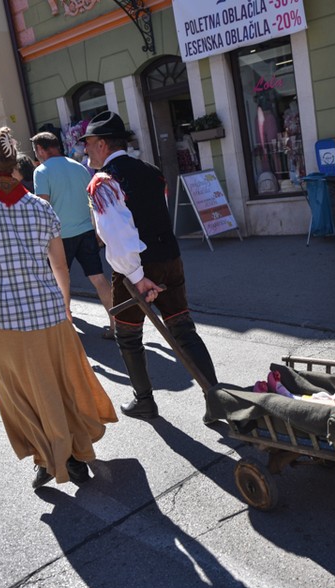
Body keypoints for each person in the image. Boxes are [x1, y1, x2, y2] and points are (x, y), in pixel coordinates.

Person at [0, 127, 117, 488]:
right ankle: (74, 453)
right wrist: (64, 307)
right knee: (60, 386)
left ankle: (47, 457)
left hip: (4, 320)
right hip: (50, 314)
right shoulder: (41, 207)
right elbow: (60, 266)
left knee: (20, 395)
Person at [81, 111, 218, 419]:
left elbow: (118, 235)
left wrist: (136, 276)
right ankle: (215, 399)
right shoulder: (151, 170)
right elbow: (156, 215)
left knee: (128, 336)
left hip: (137, 267)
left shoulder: (103, 181)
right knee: (183, 329)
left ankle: (144, 401)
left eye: (88, 142)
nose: (85, 149)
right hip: (170, 258)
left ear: (102, 144)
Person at [31, 131, 116, 339]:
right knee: (98, 277)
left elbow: (43, 206)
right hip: (86, 230)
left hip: (59, 236)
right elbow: (92, 201)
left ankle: (66, 329)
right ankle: (116, 324)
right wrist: (96, 229)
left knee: (61, 281)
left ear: (40, 149)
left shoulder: (41, 171)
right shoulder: (79, 167)